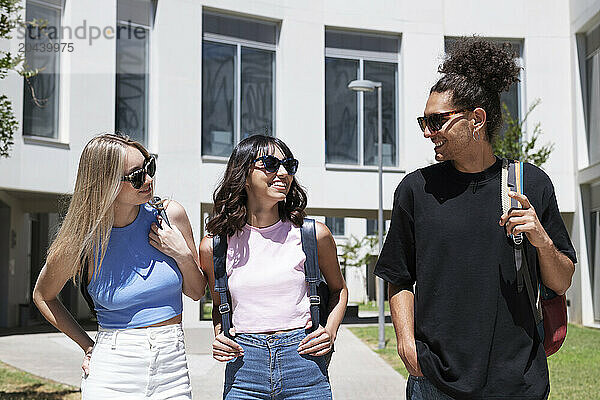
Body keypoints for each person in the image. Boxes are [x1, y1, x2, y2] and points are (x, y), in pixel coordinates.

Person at [375, 37, 577, 400]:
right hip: (435, 381)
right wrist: (406, 344)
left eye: (437, 121)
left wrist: (542, 241)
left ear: (476, 119)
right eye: (424, 121)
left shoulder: (529, 183)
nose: (427, 132)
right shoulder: (416, 189)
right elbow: (398, 277)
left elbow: (561, 282)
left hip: (518, 382)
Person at [33, 134, 206, 399]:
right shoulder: (81, 241)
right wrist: (88, 346)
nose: (149, 180)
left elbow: (196, 292)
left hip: (172, 366)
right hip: (114, 368)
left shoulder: (170, 217)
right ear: (106, 183)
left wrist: (182, 254)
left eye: (150, 168)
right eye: (137, 176)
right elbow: (43, 296)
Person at [199, 135, 348, 400]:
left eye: (288, 165)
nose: (282, 173)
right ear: (243, 174)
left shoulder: (314, 235)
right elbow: (222, 308)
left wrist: (330, 331)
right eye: (269, 164)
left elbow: (339, 290)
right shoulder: (214, 246)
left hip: (304, 361)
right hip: (244, 367)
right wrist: (220, 336)